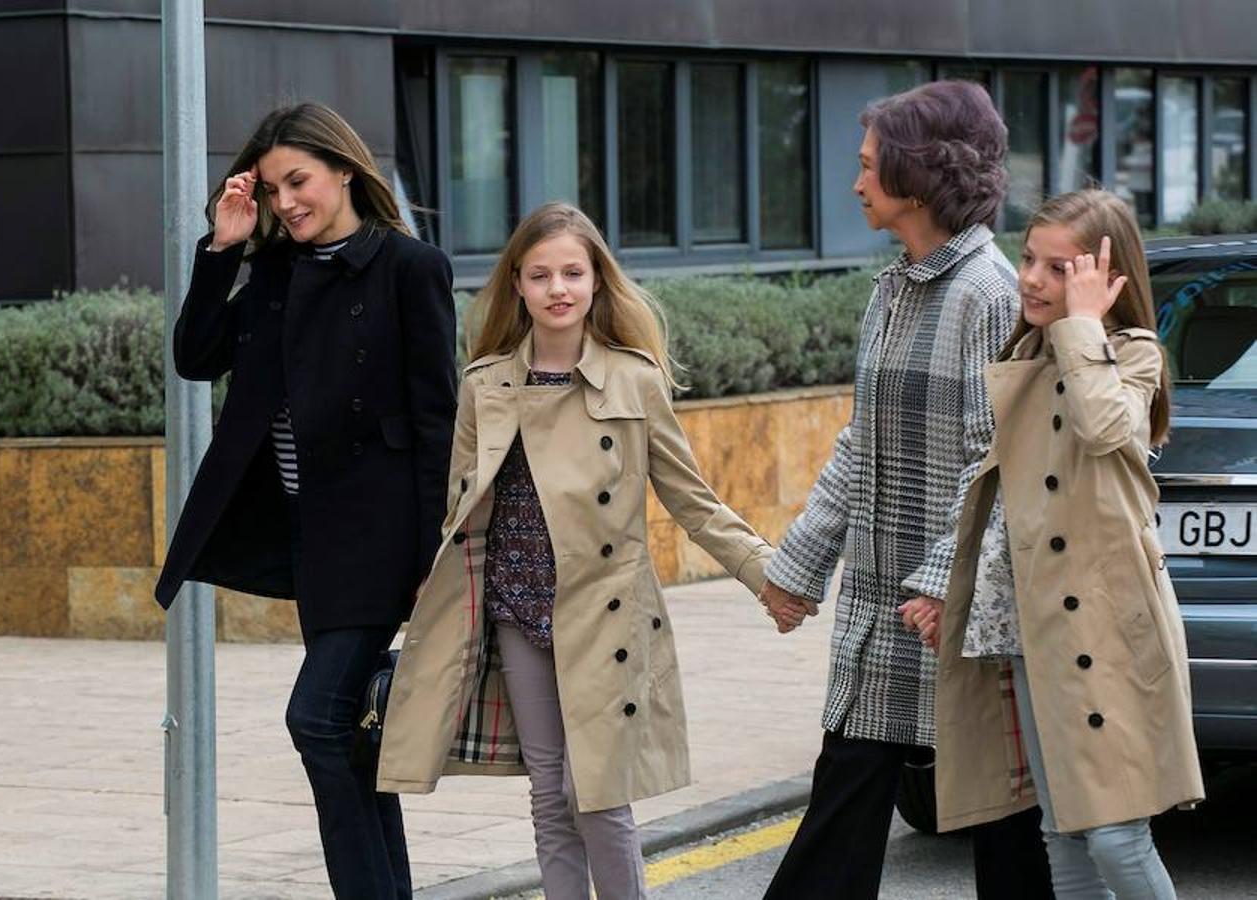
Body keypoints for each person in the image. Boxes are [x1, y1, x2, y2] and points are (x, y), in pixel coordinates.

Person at [375, 202, 773, 899]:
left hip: (604, 613)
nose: (558, 288)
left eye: (572, 272)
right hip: (515, 609)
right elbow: (460, 509)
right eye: (539, 275)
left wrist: (767, 575)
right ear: (518, 287)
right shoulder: (485, 384)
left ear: (596, 282)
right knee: (548, 793)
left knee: (596, 794)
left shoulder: (635, 380)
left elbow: (692, 500)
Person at [152, 102, 457, 900]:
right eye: (275, 188)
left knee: (316, 721)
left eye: (301, 181)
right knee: (350, 737)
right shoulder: (276, 273)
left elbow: (439, 423)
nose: (288, 202)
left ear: (344, 170)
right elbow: (194, 357)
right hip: (309, 538)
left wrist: (436, 560)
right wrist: (223, 246)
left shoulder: (408, 268)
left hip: (383, 538)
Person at [760, 80, 1054, 899]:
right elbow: (863, 444)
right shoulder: (893, 289)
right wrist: (799, 565)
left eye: (867, 167)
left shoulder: (988, 294)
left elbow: (991, 462)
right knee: (848, 795)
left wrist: (938, 582)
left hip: (954, 617)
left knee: (1002, 827)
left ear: (918, 174)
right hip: (882, 607)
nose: (855, 185)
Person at [912, 188, 1205, 899]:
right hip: (1040, 631)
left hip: (1109, 630)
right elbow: (1001, 499)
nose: (1035, 280)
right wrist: (946, 592)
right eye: (1030, 260)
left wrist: (1082, 325)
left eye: (1061, 268)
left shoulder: (1129, 354)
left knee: (1115, 833)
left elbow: (1105, 427)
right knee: (1064, 831)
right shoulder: (1027, 356)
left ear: (1107, 281)